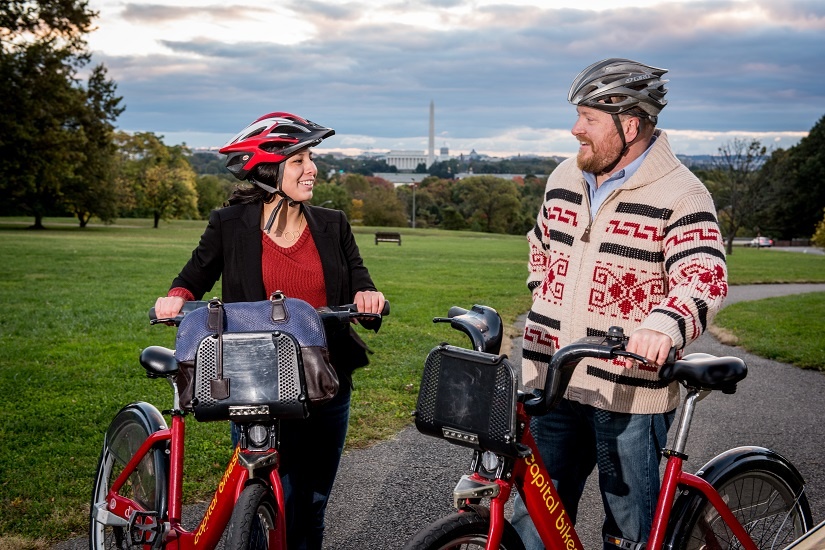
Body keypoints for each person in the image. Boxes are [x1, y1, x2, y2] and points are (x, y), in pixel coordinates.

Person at [511, 59, 728, 549]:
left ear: (629, 125)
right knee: (537, 527)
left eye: (588, 118)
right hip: (552, 381)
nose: (575, 129)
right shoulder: (563, 177)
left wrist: (663, 326)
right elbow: (541, 244)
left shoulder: (683, 194)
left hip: (627, 395)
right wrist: (545, 293)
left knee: (629, 534)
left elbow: (704, 277)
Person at [154, 112, 385, 550]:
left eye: (311, 158)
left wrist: (368, 298)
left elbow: (359, 281)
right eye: (299, 160)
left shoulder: (332, 224)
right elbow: (194, 276)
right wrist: (176, 297)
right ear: (266, 168)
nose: (312, 169)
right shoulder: (230, 224)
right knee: (260, 498)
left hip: (325, 381)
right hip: (256, 381)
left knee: (310, 503)